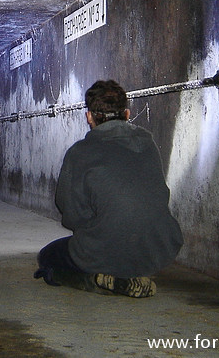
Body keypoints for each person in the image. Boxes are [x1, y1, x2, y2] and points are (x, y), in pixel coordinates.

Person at [34, 80, 183, 297]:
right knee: (117, 244)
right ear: (127, 114)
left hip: (102, 251)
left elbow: (71, 215)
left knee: (48, 257)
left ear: (89, 117)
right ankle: (130, 274)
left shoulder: (80, 152)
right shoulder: (148, 144)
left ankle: (93, 280)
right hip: (157, 250)